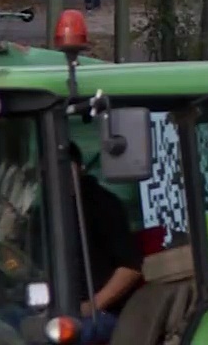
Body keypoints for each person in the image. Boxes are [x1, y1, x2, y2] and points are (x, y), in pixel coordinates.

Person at [69, 142, 143, 343]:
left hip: (102, 314)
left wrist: (91, 307)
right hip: (51, 314)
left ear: (78, 167)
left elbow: (130, 268)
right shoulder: (41, 216)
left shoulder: (103, 205)